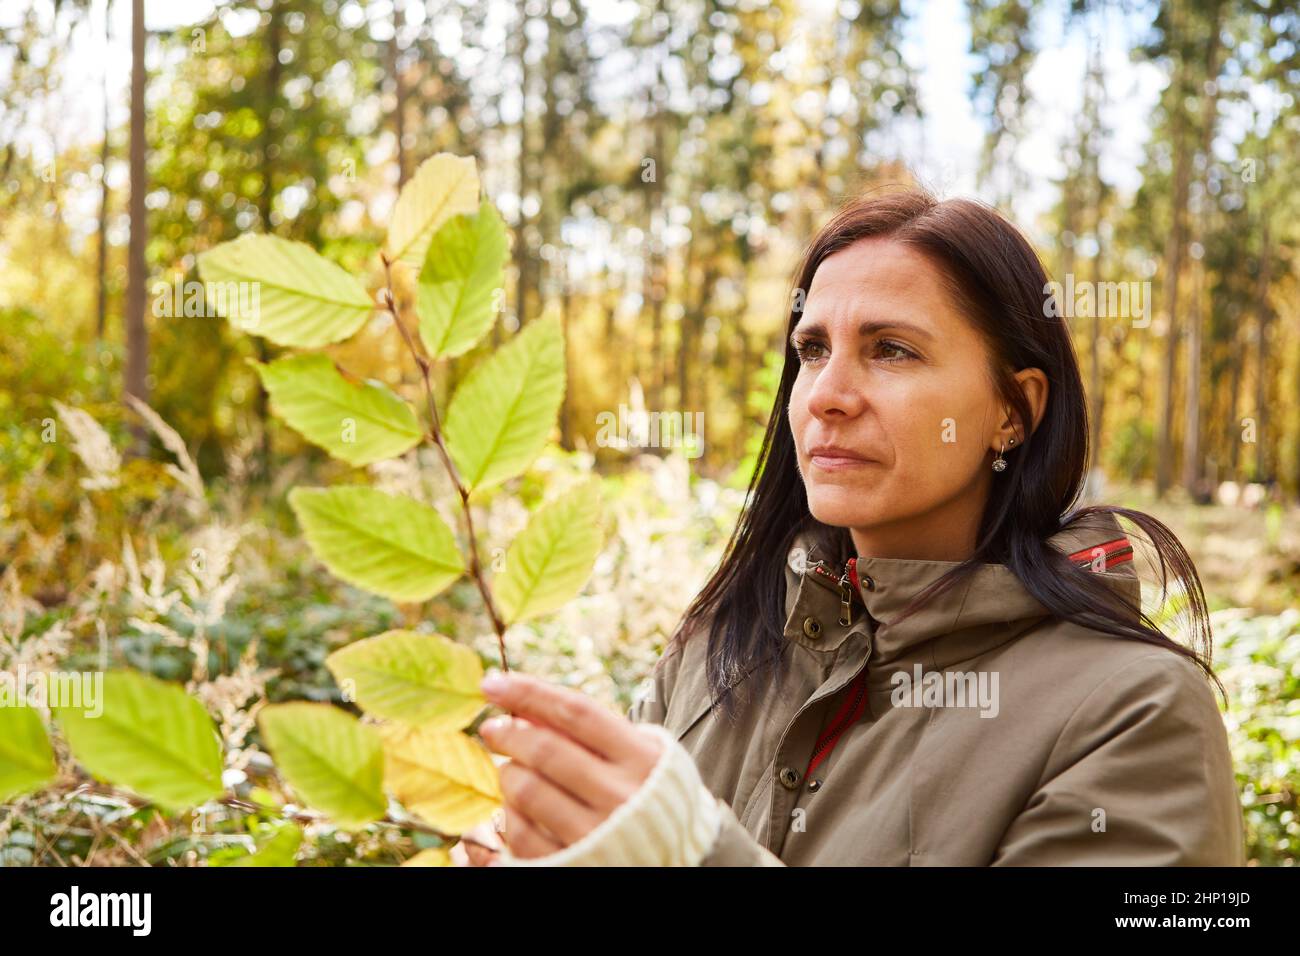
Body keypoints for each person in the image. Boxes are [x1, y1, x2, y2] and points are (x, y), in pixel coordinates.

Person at [451, 187, 1246, 867]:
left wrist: (691, 853)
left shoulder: (1135, 714)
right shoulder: (717, 651)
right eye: (812, 348)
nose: (828, 394)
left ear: (1013, 410)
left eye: (892, 350)